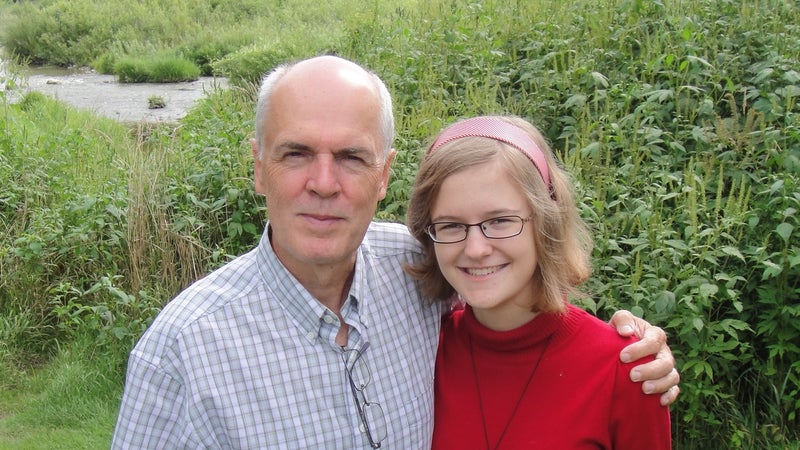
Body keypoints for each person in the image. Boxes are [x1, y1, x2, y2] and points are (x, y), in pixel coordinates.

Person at [111, 56, 679, 449]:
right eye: (296, 153)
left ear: (383, 175)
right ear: (258, 168)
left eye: (352, 157)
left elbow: (521, 307)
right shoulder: (181, 353)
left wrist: (630, 342)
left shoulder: (414, 272)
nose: (324, 183)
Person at [404, 115, 672, 449]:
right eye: (451, 226)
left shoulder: (628, 369)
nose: (475, 249)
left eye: (500, 221)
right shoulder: (423, 350)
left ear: (546, 222)